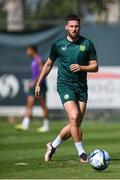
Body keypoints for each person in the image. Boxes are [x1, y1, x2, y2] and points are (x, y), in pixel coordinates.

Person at [35, 14, 98, 163]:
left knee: (75, 124)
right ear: (66, 27)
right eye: (71, 26)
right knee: (74, 116)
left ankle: (52, 145)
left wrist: (82, 67)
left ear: (80, 27)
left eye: (76, 26)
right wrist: (39, 82)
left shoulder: (87, 44)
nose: (74, 28)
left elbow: (95, 66)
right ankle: (82, 153)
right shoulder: (58, 45)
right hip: (65, 85)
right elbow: (48, 64)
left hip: (81, 87)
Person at [15, 45, 49, 132]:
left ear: (32, 50)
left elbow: (42, 71)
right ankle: (25, 124)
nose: (27, 52)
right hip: (34, 85)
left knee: (43, 105)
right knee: (29, 105)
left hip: (40, 85)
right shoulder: (34, 60)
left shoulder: (38, 59)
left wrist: (35, 82)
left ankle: (46, 125)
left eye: (28, 50)